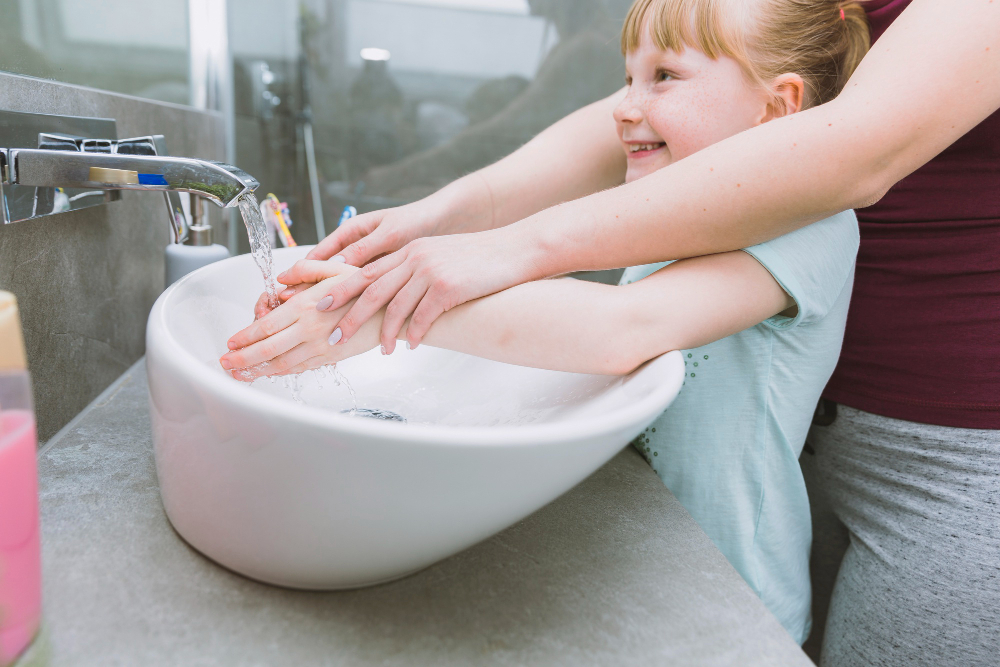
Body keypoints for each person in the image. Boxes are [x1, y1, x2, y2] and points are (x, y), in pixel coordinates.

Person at [245, 0, 1000, 664]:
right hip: (659, 550)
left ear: (779, 108)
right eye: (627, 77)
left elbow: (615, 328)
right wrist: (434, 225)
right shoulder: (675, 205)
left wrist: (373, 312)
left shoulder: (807, 230)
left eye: (662, 77)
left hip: (731, 601)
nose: (623, 107)